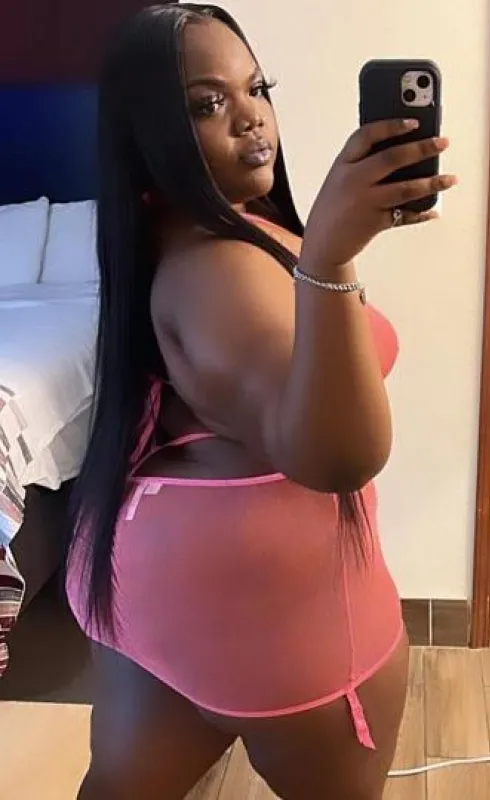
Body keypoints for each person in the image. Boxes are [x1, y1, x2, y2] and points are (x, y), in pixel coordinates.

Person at [65, 4, 456, 798]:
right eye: (208, 103)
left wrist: (324, 251)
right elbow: (337, 459)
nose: (251, 118)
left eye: (258, 88)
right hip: (272, 623)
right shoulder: (215, 272)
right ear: (148, 134)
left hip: (153, 596)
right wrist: (332, 259)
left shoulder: (200, 232)